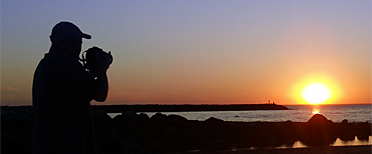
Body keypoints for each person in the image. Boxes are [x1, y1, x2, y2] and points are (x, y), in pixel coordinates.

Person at [32, 21, 112, 154]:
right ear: (72, 42)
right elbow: (100, 94)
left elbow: (77, 88)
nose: (80, 46)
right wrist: (102, 71)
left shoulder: (49, 63)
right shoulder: (65, 64)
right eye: (79, 41)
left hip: (48, 143)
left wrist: (92, 72)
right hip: (66, 144)